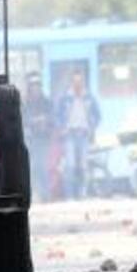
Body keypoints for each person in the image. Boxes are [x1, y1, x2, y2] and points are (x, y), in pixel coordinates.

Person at [57, 70, 102, 199]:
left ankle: (82, 194)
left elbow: (98, 116)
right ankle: (69, 195)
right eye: (75, 82)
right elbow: (57, 115)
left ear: (83, 83)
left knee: (83, 165)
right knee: (70, 165)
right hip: (69, 134)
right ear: (72, 83)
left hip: (84, 134)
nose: (77, 85)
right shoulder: (65, 97)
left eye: (80, 82)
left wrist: (91, 128)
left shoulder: (88, 97)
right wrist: (62, 128)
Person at [22, 73, 55, 202]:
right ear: (30, 87)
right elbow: (22, 120)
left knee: (42, 166)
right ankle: (33, 193)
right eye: (33, 86)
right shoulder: (25, 103)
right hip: (31, 139)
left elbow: (53, 118)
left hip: (43, 138)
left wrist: (45, 120)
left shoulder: (46, 102)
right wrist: (34, 121)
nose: (35, 89)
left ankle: (45, 194)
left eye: (37, 86)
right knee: (32, 167)